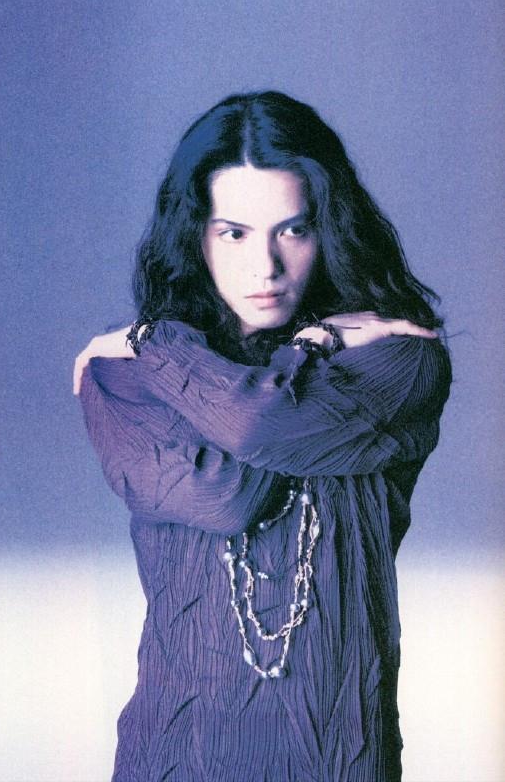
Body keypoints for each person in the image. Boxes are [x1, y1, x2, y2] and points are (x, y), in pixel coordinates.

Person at [72, 91, 451, 782]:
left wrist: (156, 341)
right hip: (178, 755)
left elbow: (255, 424)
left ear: (328, 230)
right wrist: (166, 342)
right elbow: (227, 494)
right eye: (234, 233)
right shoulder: (124, 377)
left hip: (340, 755)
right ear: (194, 235)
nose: (266, 266)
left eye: (292, 230)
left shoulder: (397, 360)